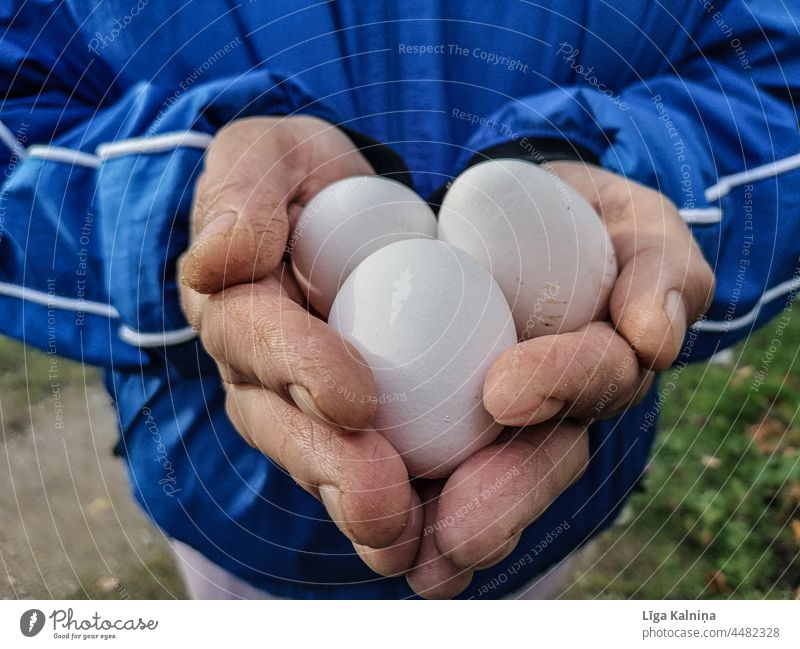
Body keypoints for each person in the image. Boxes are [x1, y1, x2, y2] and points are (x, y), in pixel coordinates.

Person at [0, 1, 797, 599]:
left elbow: (777, 70)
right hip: (242, 526)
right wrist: (180, 210)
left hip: (550, 505)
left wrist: (641, 179)